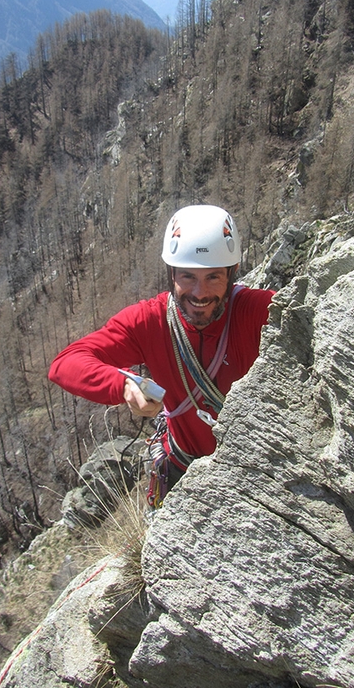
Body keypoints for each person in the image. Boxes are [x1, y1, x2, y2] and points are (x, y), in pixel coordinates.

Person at [48, 205, 275, 507]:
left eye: (213, 278)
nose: (200, 293)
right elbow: (66, 363)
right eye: (187, 276)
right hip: (184, 467)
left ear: (232, 274)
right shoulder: (151, 321)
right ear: (171, 274)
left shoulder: (257, 312)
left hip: (251, 472)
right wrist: (124, 385)